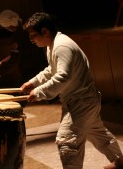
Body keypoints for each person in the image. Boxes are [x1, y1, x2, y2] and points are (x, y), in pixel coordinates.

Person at [20, 12, 123, 169]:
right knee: (99, 135)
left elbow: (63, 77)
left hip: (81, 102)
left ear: (45, 31)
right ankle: (121, 162)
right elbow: (52, 70)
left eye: (33, 35)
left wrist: (39, 92)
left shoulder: (62, 46)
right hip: (84, 100)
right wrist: (33, 83)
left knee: (66, 140)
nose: (31, 39)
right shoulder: (53, 45)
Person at [0, 9, 48, 87]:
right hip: (42, 65)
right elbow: (20, 52)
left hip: (31, 71)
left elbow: (14, 58)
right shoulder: (30, 27)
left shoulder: (17, 36)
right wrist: (3, 62)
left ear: (9, 26)